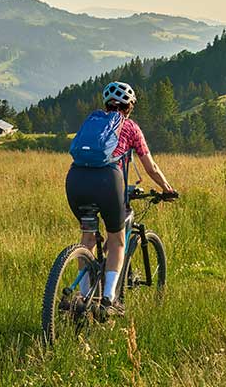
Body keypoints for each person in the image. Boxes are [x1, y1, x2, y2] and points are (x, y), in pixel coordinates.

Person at [65, 81, 176, 318]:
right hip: (107, 182)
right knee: (116, 240)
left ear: (106, 104)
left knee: (88, 238)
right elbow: (151, 167)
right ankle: (108, 300)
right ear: (129, 106)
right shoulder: (131, 127)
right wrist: (167, 188)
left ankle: (83, 297)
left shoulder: (93, 121)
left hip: (76, 181)